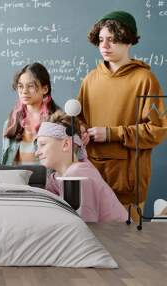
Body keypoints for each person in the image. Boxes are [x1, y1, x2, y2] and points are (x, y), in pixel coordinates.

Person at [77, 11, 167, 209]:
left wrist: (112, 133)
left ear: (128, 41)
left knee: (130, 239)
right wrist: (81, 129)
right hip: (93, 180)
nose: (105, 46)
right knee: (96, 239)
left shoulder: (145, 80)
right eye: (101, 40)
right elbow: (79, 119)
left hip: (128, 184)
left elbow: (157, 130)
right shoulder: (90, 80)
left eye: (112, 39)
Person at [35, 111, 128, 222]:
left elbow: (84, 229)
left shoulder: (78, 175)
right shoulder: (56, 178)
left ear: (66, 145)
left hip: (116, 237)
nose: (37, 153)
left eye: (43, 145)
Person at [2, 63, 60, 165]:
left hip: (48, 180)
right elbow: (6, 163)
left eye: (31, 86)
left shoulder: (57, 122)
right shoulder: (10, 124)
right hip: (16, 180)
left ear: (45, 89)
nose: (24, 91)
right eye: (20, 86)